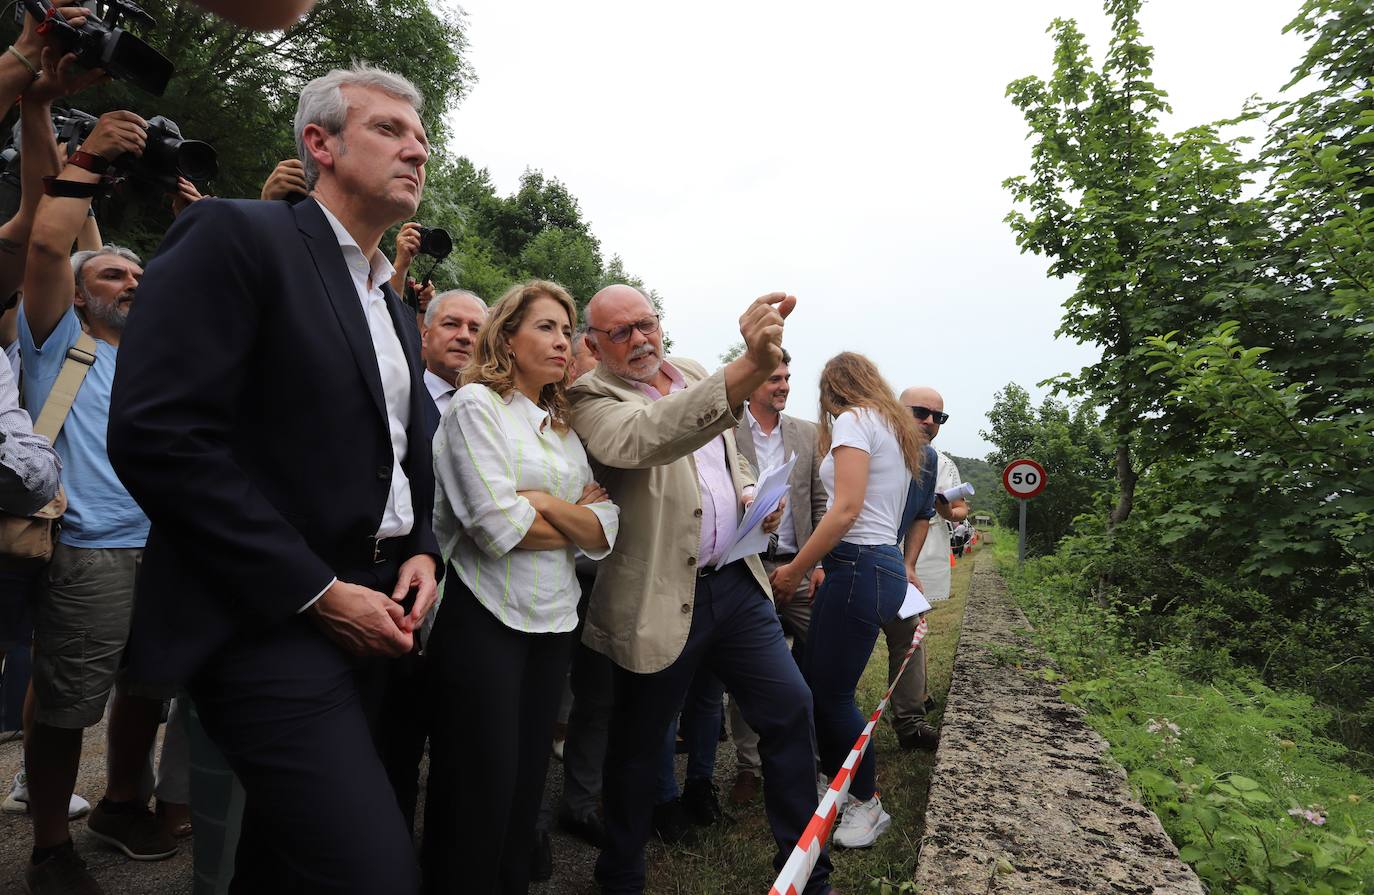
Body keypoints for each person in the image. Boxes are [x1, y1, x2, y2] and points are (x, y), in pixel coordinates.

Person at [107, 65, 441, 894]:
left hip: (383, 607)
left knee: (288, 860)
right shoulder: (235, 235)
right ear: (319, 144)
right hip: (269, 617)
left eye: (424, 137)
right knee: (372, 870)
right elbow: (159, 434)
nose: (418, 149)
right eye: (390, 130)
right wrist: (319, 590)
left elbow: (402, 452)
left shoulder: (393, 303)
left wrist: (424, 547)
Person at [569, 284, 835, 895]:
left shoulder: (688, 372)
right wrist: (751, 364)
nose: (639, 339)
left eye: (646, 323)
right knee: (638, 749)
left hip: (736, 586)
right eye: (620, 332)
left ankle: (805, 873)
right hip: (658, 597)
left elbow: (727, 454)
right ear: (593, 344)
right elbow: (646, 438)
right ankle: (620, 878)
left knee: (791, 710)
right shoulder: (591, 396)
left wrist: (747, 495)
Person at [17, 103, 193, 892]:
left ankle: (124, 802)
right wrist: (82, 158)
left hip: (165, 548)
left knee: (148, 689)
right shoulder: (58, 338)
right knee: (64, 705)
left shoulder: (162, 354)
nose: (131, 280)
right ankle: (52, 843)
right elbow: (52, 241)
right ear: (80, 295)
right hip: (88, 546)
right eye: (113, 273)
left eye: (140, 273)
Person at [423, 279, 618, 894]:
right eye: (546, 327)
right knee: (477, 783)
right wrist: (570, 513)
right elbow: (492, 527)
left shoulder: (560, 427)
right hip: (485, 619)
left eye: (566, 330)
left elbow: (606, 528)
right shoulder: (476, 405)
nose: (562, 341)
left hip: (554, 620)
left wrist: (538, 502)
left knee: (526, 782)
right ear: (506, 336)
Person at [768, 352, 930, 850]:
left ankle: (866, 801)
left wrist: (796, 568)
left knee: (832, 696)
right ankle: (835, 778)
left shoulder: (854, 420)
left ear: (832, 391)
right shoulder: (893, 427)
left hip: (858, 565)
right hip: (871, 565)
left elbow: (846, 509)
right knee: (818, 686)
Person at [728, 347, 827, 805]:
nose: (784, 384)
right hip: (746, 568)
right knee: (748, 673)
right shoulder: (725, 432)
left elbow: (820, 503)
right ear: (751, 384)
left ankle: (817, 757)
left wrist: (815, 562)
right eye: (774, 379)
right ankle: (749, 767)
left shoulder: (807, 434)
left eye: (788, 376)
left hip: (800, 564)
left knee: (824, 661)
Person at [881, 386, 967, 750]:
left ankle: (911, 716)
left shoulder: (939, 462)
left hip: (919, 549)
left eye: (938, 417)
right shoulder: (870, 448)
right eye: (920, 412)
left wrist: (944, 509)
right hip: (870, 553)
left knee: (912, 633)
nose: (929, 422)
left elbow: (957, 509)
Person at [420, 288, 486, 416]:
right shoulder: (400, 398)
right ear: (425, 335)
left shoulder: (497, 407)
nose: (464, 336)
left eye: (475, 329)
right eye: (451, 324)